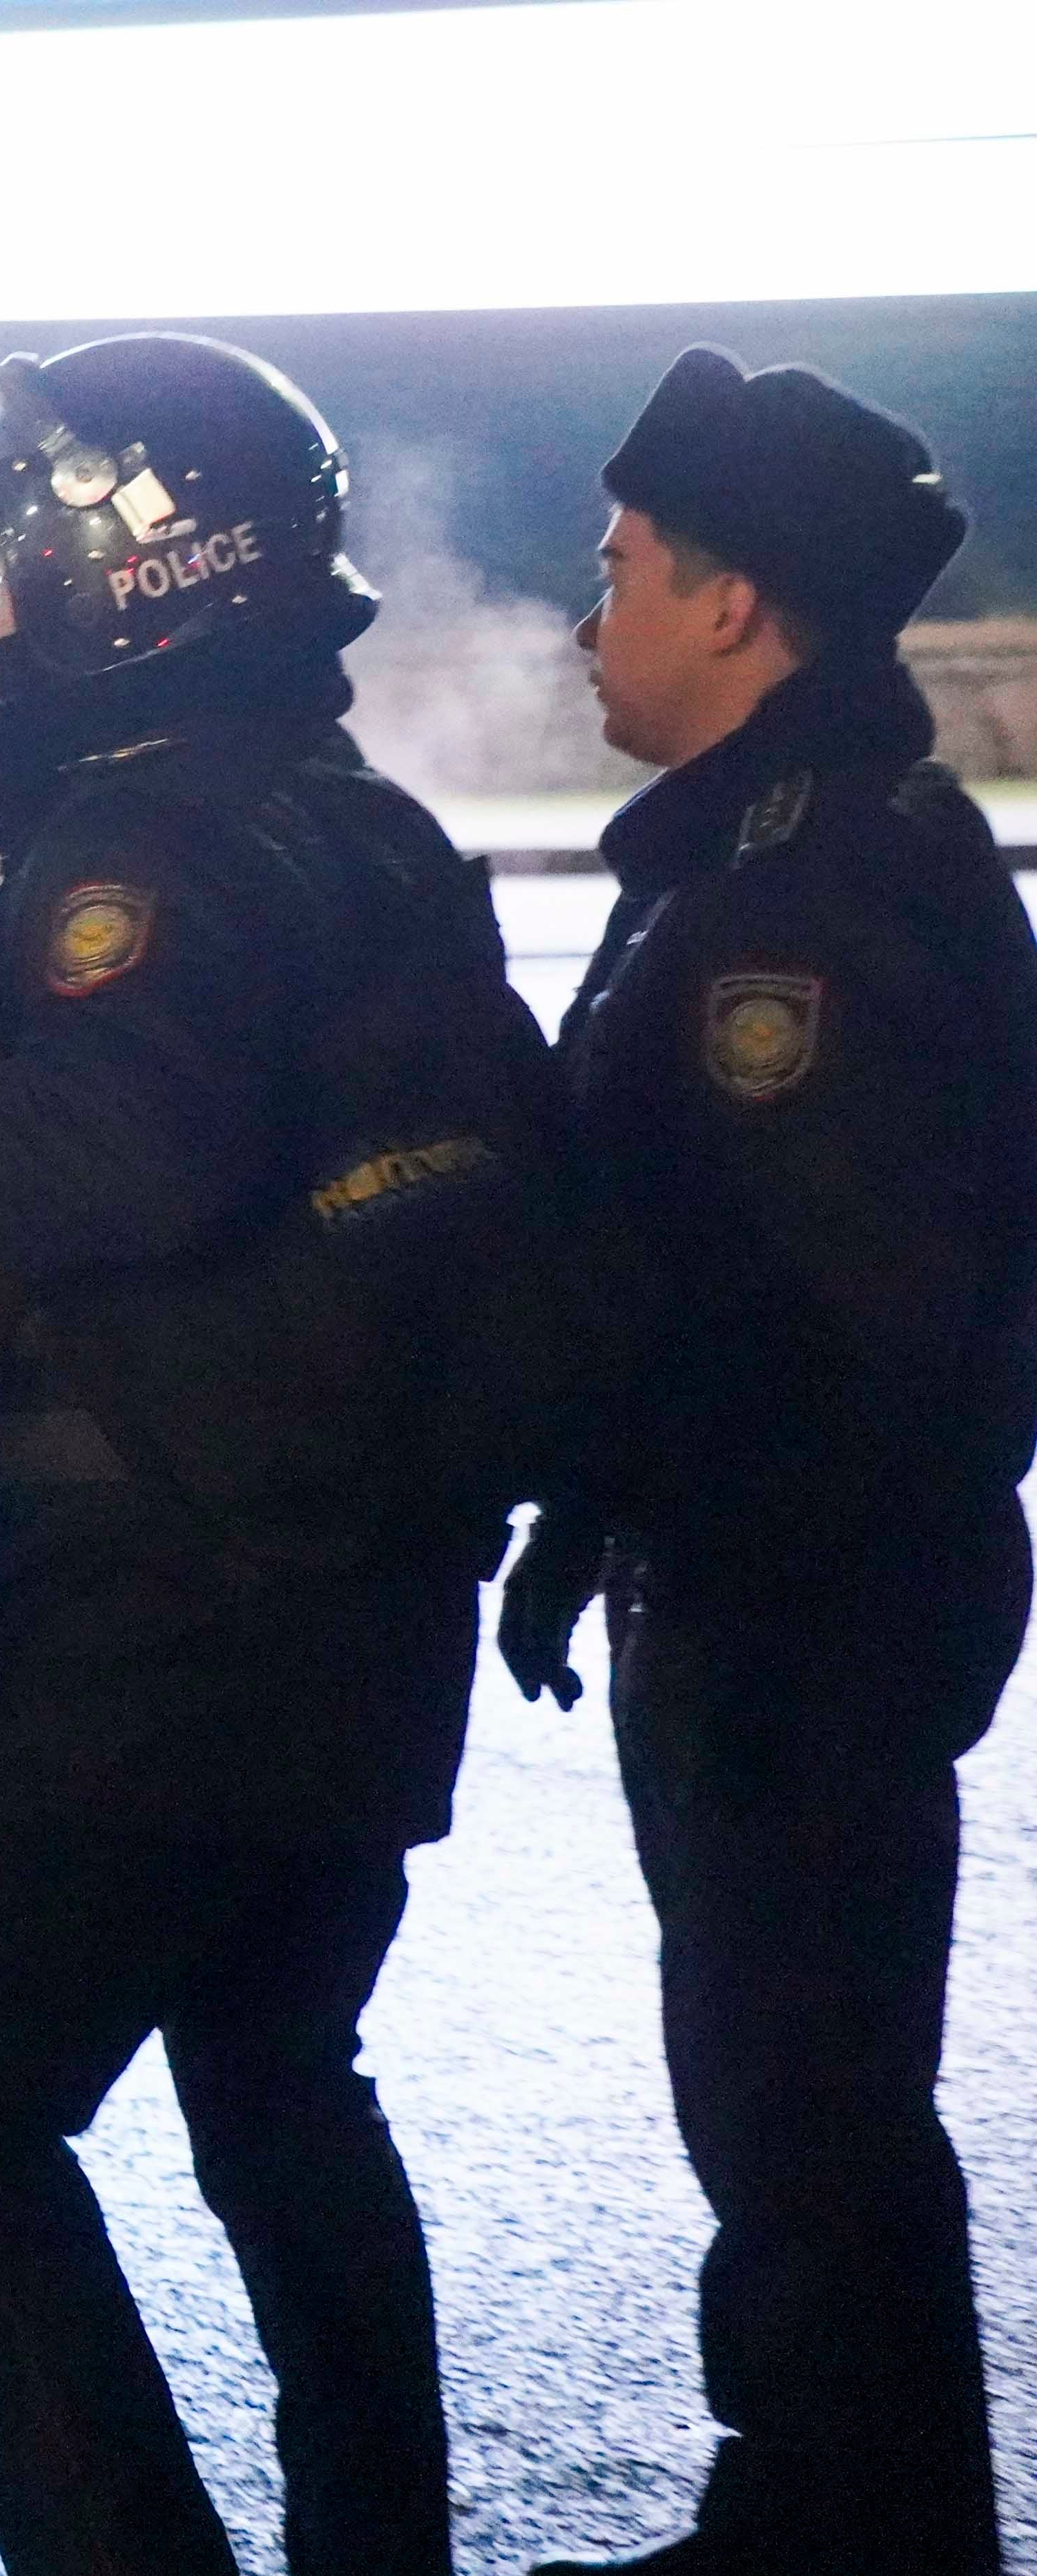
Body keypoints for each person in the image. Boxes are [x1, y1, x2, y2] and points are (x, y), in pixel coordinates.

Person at [0, 336, 574, 2576]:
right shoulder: (355, 819)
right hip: (362, 1578)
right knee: (274, 2084)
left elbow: (105, 1151)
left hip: (147, 1594)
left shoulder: (133, 839)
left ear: (106, 583)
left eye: (2, 576)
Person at [501, 349, 1036, 2576]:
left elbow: (843, 1307)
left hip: (803, 1584)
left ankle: (860, 2527)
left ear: (733, 606)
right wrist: (577, 1519)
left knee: (802, 2077)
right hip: (758, 1563)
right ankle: (824, 2499)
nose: (582, 611)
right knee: (783, 2073)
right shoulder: (756, 851)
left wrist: (691, 1534)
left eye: (616, 571)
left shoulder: (802, 905)